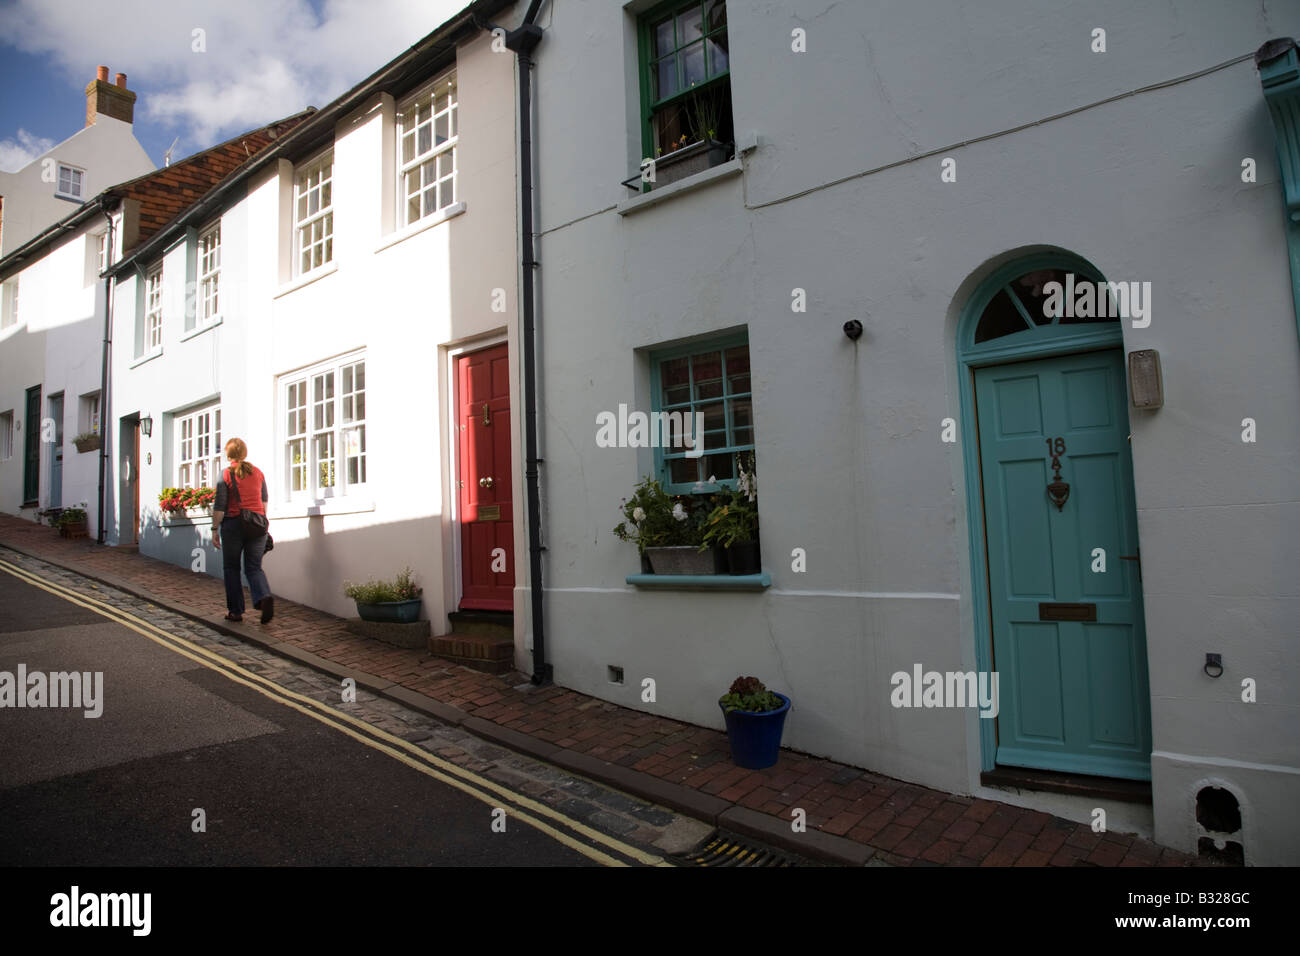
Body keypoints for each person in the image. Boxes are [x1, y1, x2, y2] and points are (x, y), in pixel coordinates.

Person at [212, 437, 274, 623]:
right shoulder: (258, 473)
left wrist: (215, 529)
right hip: (258, 524)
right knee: (254, 567)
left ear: (228, 454)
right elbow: (264, 504)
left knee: (231, 568)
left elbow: (220, 506)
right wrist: (259, 521)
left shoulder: (225, 474)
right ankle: (263, 597)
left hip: (234, 524)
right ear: (244, 453)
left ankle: (236, 611)